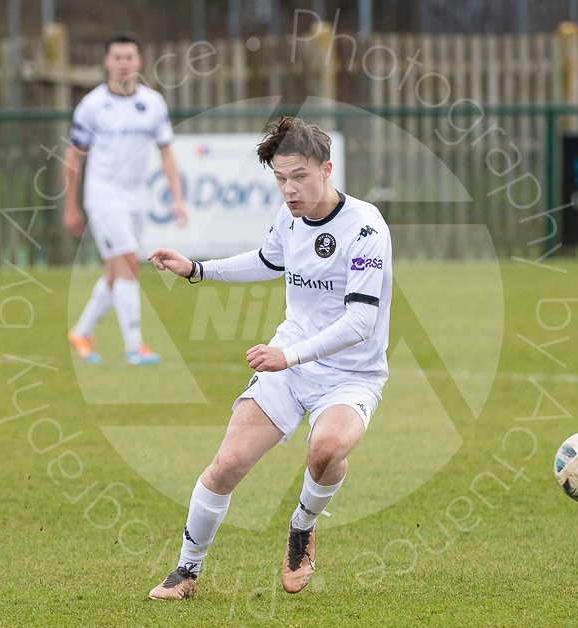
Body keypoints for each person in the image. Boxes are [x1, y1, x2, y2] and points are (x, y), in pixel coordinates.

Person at [144, 116, 392, 600]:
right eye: (280, 179)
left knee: (327, 450)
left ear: (327, 168)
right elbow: (266, 260)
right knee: (227, 465)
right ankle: (186, 572)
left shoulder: (365, 227)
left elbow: (361, 322)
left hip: (350, 374)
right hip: (290, 364)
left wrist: (289, 355)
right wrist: (196, 269)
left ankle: (302, 528)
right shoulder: (290, 217)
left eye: (299, 176)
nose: (289, 189)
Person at [63, 32, 187, 365]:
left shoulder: (153, 103)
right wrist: (71, 206)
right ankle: (135, 346)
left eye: (129, 57)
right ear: (107, 62)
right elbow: (73, 156)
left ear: (139, 62)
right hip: (102, 196)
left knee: (116, 272)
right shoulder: (92, 105)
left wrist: (177, 198)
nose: (123, 63)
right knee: (130, 263)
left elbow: (166, 153)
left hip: (135, 199)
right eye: (117, 57)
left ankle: (82, 332)